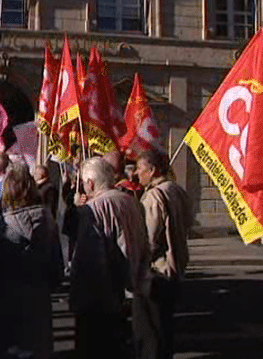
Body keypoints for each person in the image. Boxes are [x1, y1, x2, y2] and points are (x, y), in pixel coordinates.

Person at [0, 162, 62, 359]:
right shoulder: (49, 224)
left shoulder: (0, 225)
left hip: (2, 314)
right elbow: (57, 272)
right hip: (37, 312)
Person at [69, 157, 151, 359]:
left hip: (101, 296)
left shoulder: (94, 209)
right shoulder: (131, 202)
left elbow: (88, 259)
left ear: (90, 183)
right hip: (131, 287)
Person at [135, 150, 193, 359]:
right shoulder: (178, 190)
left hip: (157, 271)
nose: (136, 175)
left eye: (140, 170)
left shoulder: (154, 196)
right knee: (166, 327)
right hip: (176, 267)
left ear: (152, 170)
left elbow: (148, 239)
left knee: (151, 332)